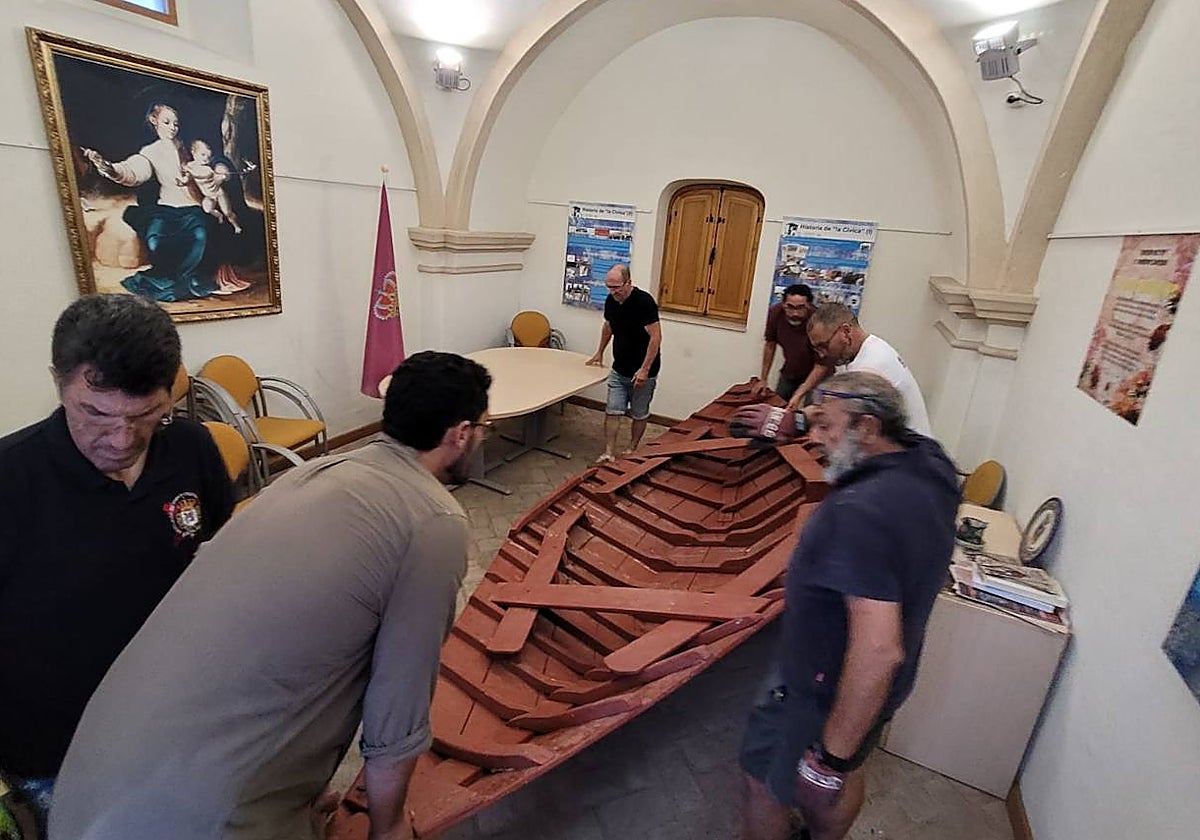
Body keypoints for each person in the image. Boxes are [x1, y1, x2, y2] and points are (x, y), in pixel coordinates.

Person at [49, 351, 492, 840]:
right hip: (195, 820)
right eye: (483, 428)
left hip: (84, 789)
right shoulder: (433, 520)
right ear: (461, 433)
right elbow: (398, 710)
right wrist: (388, 826)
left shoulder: (312, 472)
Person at [0, 294, 234, 837]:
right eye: (95, 413)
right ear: (58, 383)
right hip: (57, 750)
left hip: (177, 719)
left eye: (147, 415)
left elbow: (223, 563)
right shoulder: (10, 480)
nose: (121, 440)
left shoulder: (191, 448)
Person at [729, 372, 958, 840]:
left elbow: (878, 650)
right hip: (884, 688)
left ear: (868, 428)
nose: (815, 438)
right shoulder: (931, 465)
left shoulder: (859, 513)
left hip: (820, 690)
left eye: (826, 426)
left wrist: (828, 760)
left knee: (764, 784)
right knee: (848, 772)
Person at [82, 104, 250, 301]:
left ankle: (194, 282)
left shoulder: (189, 146)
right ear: (154, 121)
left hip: (194, 208)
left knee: (199, 236)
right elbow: (133, 173)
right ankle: (167, 280)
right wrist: (108, 168)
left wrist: (221, 169)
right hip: (166, 209)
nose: (172, 128)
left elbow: (212, 160)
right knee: (156, 242)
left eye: (175, 124)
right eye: (167, 122)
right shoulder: (150, 152)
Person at [804, 303, 932, 436]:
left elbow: (847, 426)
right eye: (817, 349)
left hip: (905, 444)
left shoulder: (870, 367)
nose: (822, 354)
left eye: (824, 346)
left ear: (846, 332)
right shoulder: (873, 346)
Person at [586, 264, 663, 461]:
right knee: (613, 410)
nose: (613, 292)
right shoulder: (611, 301)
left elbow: (656, 337)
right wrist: (599, 352)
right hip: (619, 369)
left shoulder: (644, 302)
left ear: (628, 283)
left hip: (643, 372)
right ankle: (609, 452)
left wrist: (645, 369)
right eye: (609, 287)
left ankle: (632, 449)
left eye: (616, 287)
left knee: (639, 413)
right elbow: (608, 326)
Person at [754, 284, 831, 409]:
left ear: (809, 305)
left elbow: (821, 365)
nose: (795, 313)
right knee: (778, 407)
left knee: (810, 413)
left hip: (818, 376)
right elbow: (770, 345)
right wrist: (763, 379)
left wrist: (799, 394)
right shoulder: (775, 313)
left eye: (800, 308)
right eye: (790, 307)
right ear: (783, 304)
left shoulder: (820, 322)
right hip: (791, 371)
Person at [177, 139, 256, 235]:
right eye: (203, 155)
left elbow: (214, 174)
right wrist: (183, 181)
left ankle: (236, 226)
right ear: (193, 152)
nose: (206, 158)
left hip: (218, 193)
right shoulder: (190, 166)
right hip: (208, 195)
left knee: (228, 213)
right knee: (207, 209)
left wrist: (224, 176)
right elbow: (188, 177)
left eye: (208, 156)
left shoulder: (207, 169)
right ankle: (219, 216)